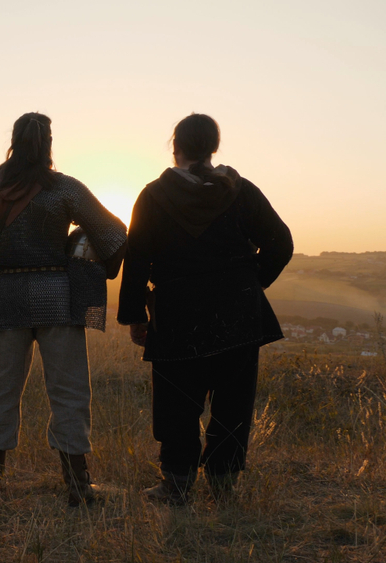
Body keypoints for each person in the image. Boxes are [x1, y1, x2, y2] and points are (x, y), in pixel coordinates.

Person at [117, 113, 293, 505]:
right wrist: (250, 284)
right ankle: (223, 483)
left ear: (175, 147)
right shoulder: (241, 191)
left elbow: (137, 259)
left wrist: (134, 316)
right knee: (233, 402)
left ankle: (177, 484)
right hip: (239, 315)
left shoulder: (153, 196)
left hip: (176, 316)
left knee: (176, 402)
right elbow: (281, 243)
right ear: (214, 147)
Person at [0, 112, 127, 506]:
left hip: (10, 297)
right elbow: (115, 235)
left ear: (12, 142)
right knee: (69, 391)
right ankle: (78, 484)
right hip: (59, 296)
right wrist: (82, 251)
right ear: (48, 143)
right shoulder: (65, 189)